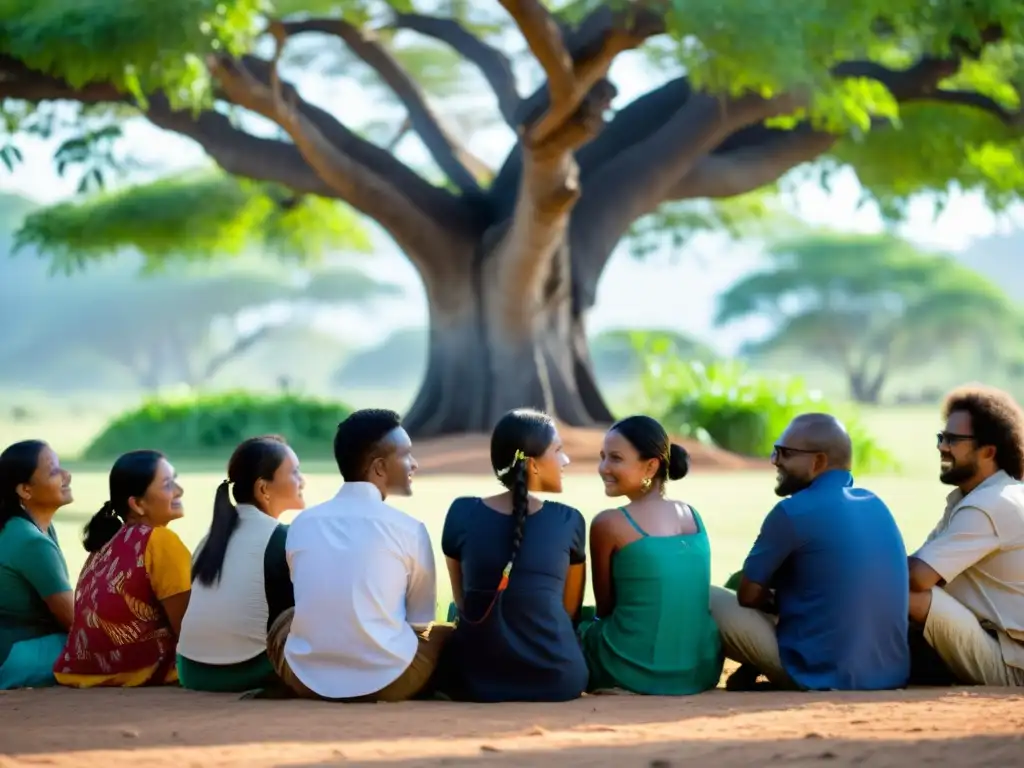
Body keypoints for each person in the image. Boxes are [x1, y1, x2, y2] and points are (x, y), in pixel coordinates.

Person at [710, 413, 910, 691]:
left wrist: (778, 599)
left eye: (785, 453)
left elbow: (748, 594)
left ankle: (690, 676)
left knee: (705, 594)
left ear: (818, 462)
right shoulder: (877, 505)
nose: (774, 460)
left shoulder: (791, 512)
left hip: (818, 675)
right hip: (888, 675)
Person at [267, 408, 448, 702]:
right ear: (378, 468)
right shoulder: (410, 529)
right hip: (392, 682)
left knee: (284, 620)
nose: (414, 464)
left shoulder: (301, 524)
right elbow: (420, 623)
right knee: (444, 634)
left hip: (305, 679)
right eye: (406, 455)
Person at [436, 408, 588, 702]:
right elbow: (570, 612)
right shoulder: (569, 521)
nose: (566, 459)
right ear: (533, 464)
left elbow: (465, 604)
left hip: (472, 681)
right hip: (558, 678)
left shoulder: (462, 513)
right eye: (558, 450)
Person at [580, 416, 722, 695]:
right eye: (602, 457)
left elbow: (606, 609)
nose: (603, 468)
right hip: (700, 669)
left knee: (571, 624)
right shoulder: (692, 515)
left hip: (630, 667)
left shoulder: (609, 524)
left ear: (651, 465)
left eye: (616, 458)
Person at [908, 385, 1024, 687]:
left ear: (988, 451)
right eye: (941, 437)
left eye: (953, 440)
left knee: (906, 592)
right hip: (999, 645)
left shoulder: (989, 505)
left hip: (1013, 664)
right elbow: (917, 564)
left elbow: (916, 579)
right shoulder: (977, 496)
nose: (942, 447)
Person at [177, 436, 304, 692]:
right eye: (294, 472)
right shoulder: (282, 537)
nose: (303, 480)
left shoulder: (209, 539)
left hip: (191, 671)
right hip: (249, 670)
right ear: (263, 489)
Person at [54, 451, 192, 688]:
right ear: (138, 504)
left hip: (84, 672)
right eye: (168, 484)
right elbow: (188, 628)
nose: (179, 490)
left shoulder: (105, 545)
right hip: (139, 669)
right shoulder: (160, 540)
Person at [0, 440, 74, 690]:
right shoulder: (31, 542)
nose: (67, 475)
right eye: (54, 471)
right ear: (25, 490)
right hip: (13, 657)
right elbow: (75, 622)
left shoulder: (27, 527)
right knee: (114, 649)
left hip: (16, 648)